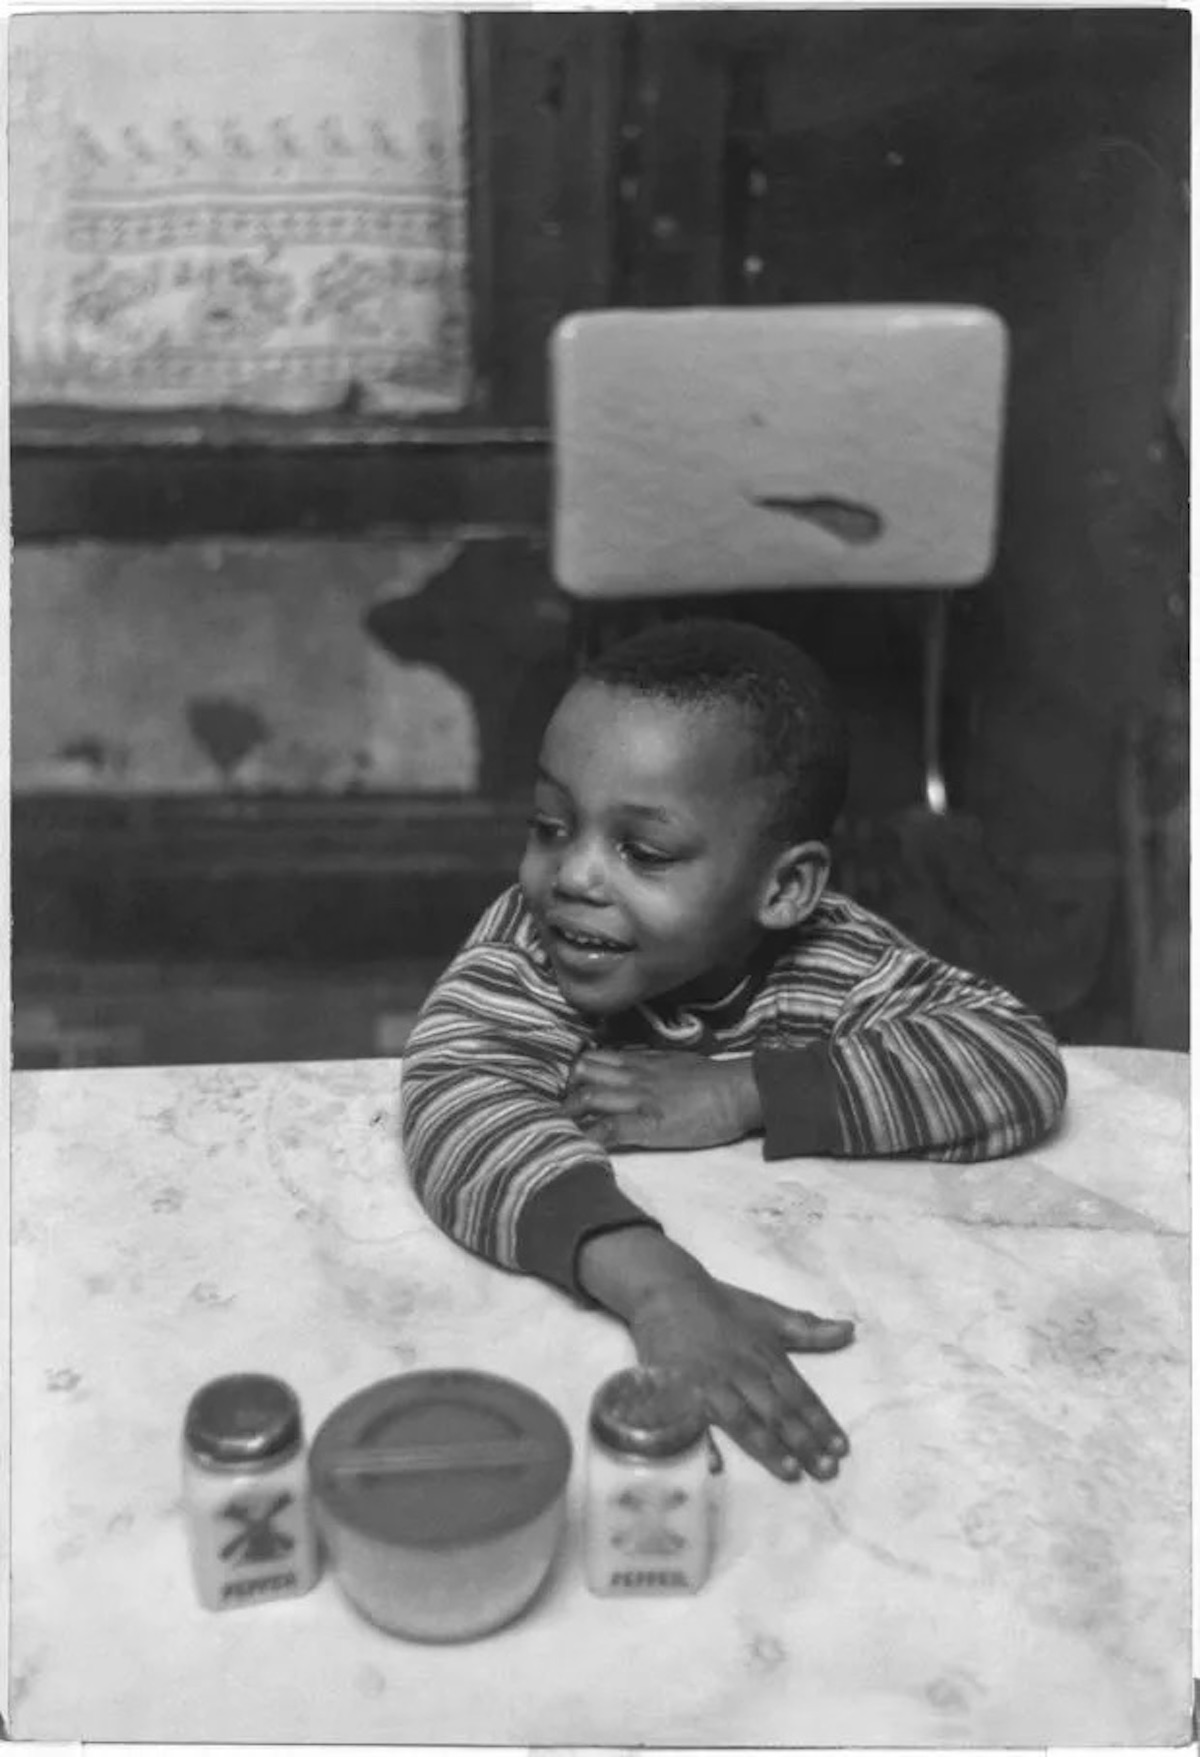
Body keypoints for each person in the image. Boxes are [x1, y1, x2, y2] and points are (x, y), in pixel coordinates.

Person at [401, 617, 1067, 1484]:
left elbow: (1015, 1060)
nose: (574, 876)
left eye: (642, 849)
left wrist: (742, 1091)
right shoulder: (530, 947)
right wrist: (662, 1288)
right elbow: (458, 1095)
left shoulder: (831, 959)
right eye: (552, 824)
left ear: (784, 888)